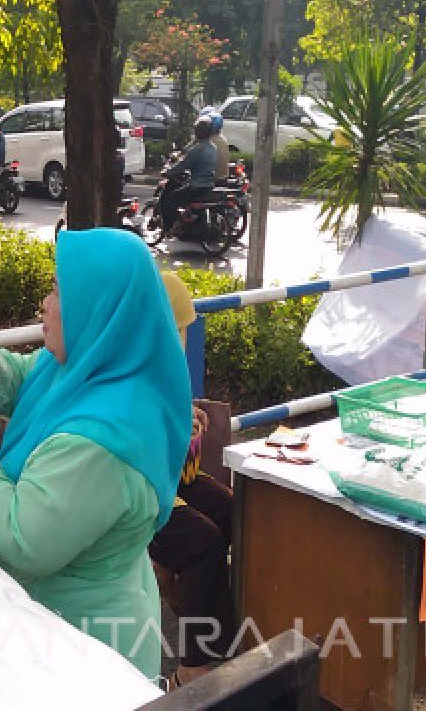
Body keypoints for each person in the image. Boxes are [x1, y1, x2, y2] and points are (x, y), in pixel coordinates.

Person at [0, 228, 192, 679]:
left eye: (59, 291)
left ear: (97, 308)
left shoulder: (102, 441)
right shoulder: (101, 367)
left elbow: (25, 538)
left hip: (82, 648)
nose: (44, 303)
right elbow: (34, 379)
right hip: (53, 625)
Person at [148, 272, 236, 688]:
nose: (182, 339)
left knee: (235, 508)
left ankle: (222, 627)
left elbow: (174, 433)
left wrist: (188, 419)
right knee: (204, 541)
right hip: (142, 490)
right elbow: (141, 452)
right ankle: (192, 671)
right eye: (178, 329)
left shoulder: (163, 367)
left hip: (172, 478)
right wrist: (181, 432)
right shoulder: (131, 370)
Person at [157, 117, 217, 232]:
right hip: (209, 185)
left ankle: (174, 225)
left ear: (198, 132)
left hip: (196, 186)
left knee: (171, 199)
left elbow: (183, 165)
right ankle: (187, 216)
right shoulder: (213, 147)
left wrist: (167, 172)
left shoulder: (197, 150)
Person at [200, 106, 230, 183]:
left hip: (209, 180)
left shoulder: (205, 140)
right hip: (223, 178)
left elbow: (189, 152)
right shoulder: (223, 139)